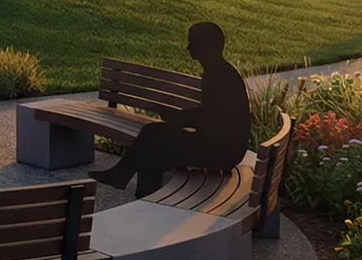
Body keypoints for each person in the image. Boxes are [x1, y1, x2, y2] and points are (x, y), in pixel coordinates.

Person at [89, 22, 250, 198]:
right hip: (217, 144)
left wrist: (177, 119)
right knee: (153, 132)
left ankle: (140, 193)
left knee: (155, 146)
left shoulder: (221, 78)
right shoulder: (218, 72)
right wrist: (177, 119)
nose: (188, 47)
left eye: (192, 42)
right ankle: (128, 181)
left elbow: (211, 120)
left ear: (206, 45)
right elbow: (210, 117)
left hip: (222, 152)